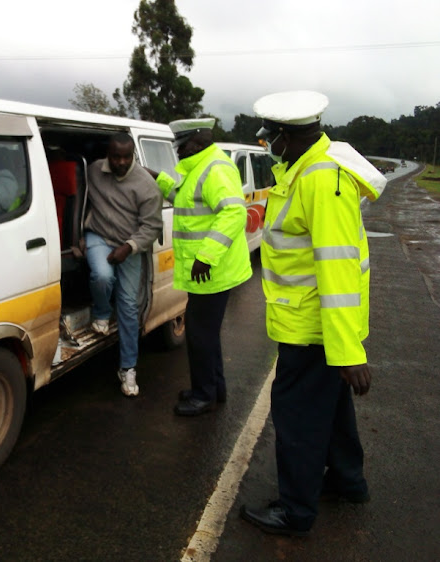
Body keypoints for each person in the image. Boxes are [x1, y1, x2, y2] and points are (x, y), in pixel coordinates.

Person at [239, 90, 385, 536]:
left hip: (313, 329)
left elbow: (337, 271)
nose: (267, 146)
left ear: (286, 136)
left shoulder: (321, 181)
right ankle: (347, 481)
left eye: (270, 139)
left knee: (297, 417)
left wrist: (347, 353)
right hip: (310, 324)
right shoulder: (306, 169)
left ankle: (295, 511)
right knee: (332, 409)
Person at [153, 118, 252, 416]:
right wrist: (157, 179)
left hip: (212, 271)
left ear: (197, 143)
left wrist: (206, 256)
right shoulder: (201, 166)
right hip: (208, 272)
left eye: (180, 146)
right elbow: (185, 200)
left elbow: (234, 213)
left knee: (199, 336)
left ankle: (203, 395)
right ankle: (214, 388)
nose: (178, 152)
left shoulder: (215, 169)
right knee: (205, 335)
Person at [84, 132, 163, 397]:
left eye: (126, 157)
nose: (120, 162)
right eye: (115, 156)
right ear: (108, 154)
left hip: (129, 245)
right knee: (103, 276)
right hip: (98, 235)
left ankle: (128, 368)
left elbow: (152, 227)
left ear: (133, 156)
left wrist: (128, 247)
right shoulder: (95, 170)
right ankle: (102, 312)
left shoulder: (146, 186)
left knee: (129, 306)